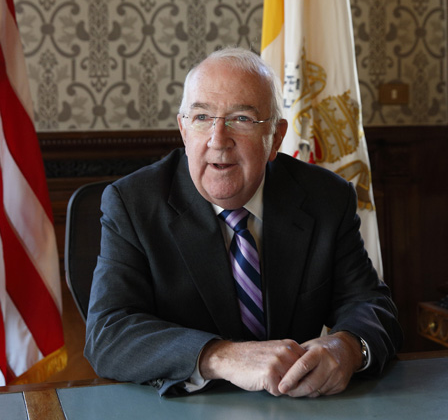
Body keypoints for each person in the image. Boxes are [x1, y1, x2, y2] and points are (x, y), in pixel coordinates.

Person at [84, 46, 402, 397]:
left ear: (275, 139)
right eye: (202, 117)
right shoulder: (133, 203)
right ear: (183, 129)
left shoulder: (325, 199)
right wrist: (219, 356)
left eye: (242, 119)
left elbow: (370, 305)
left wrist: (348, 348)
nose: (218, 140)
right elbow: (108, 334)